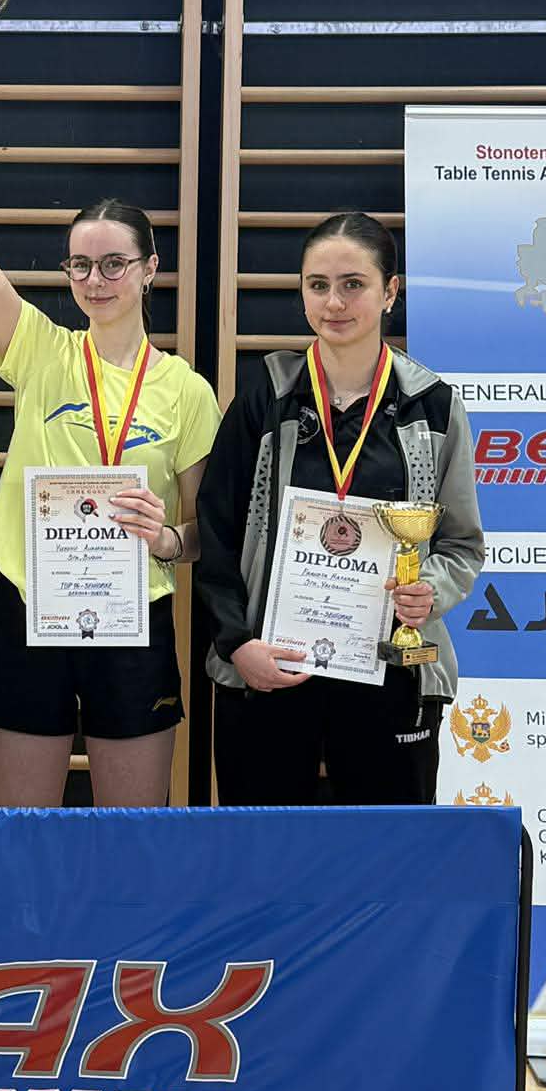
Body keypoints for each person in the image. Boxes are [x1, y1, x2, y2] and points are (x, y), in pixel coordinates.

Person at [0, 44, 220, 808]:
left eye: (114, 263)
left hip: (133, 618)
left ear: (151, 268)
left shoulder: (186, 391)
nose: (96, 280)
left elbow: (205, 533)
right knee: (22, 836)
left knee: (134, 838)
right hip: (30, 610)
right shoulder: (41, 351)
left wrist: (167, 540)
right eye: (80, 266)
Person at [196, 211, 485, 805]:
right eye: (318, 284)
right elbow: (217, 530)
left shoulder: (431, 404)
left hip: (391, 669)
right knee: (267, 848)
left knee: (387, 850)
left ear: (390, 292)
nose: (334, 302)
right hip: (270, 666)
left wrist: (427, 590)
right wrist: (237, 644)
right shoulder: (265, 394)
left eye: (353, 284)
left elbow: (460, 544)